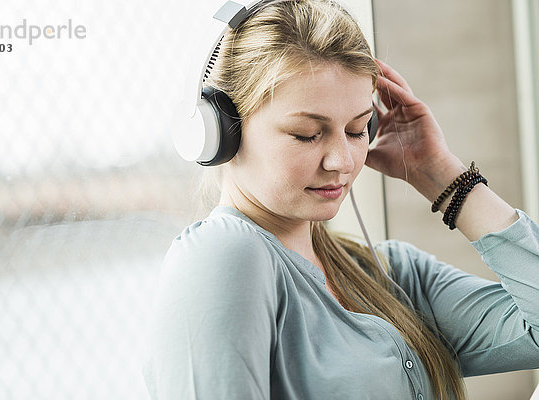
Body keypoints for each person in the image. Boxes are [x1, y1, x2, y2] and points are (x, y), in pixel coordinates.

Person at [141, 1, 539, 399]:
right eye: (307, 134)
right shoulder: (222, 255)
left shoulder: (390, 274)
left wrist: (438, 173)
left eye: (356, 129)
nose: (343, 162)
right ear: (224, 131)